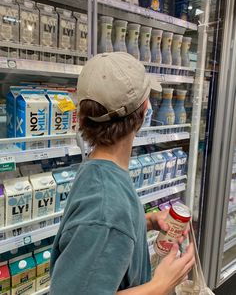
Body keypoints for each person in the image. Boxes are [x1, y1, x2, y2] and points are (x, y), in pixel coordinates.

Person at [50, 52, 195, 295]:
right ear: (143, 112)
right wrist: (160, 285)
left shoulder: (97, 168)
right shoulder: (107, 209)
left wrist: (145, 222)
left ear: (84, 116)